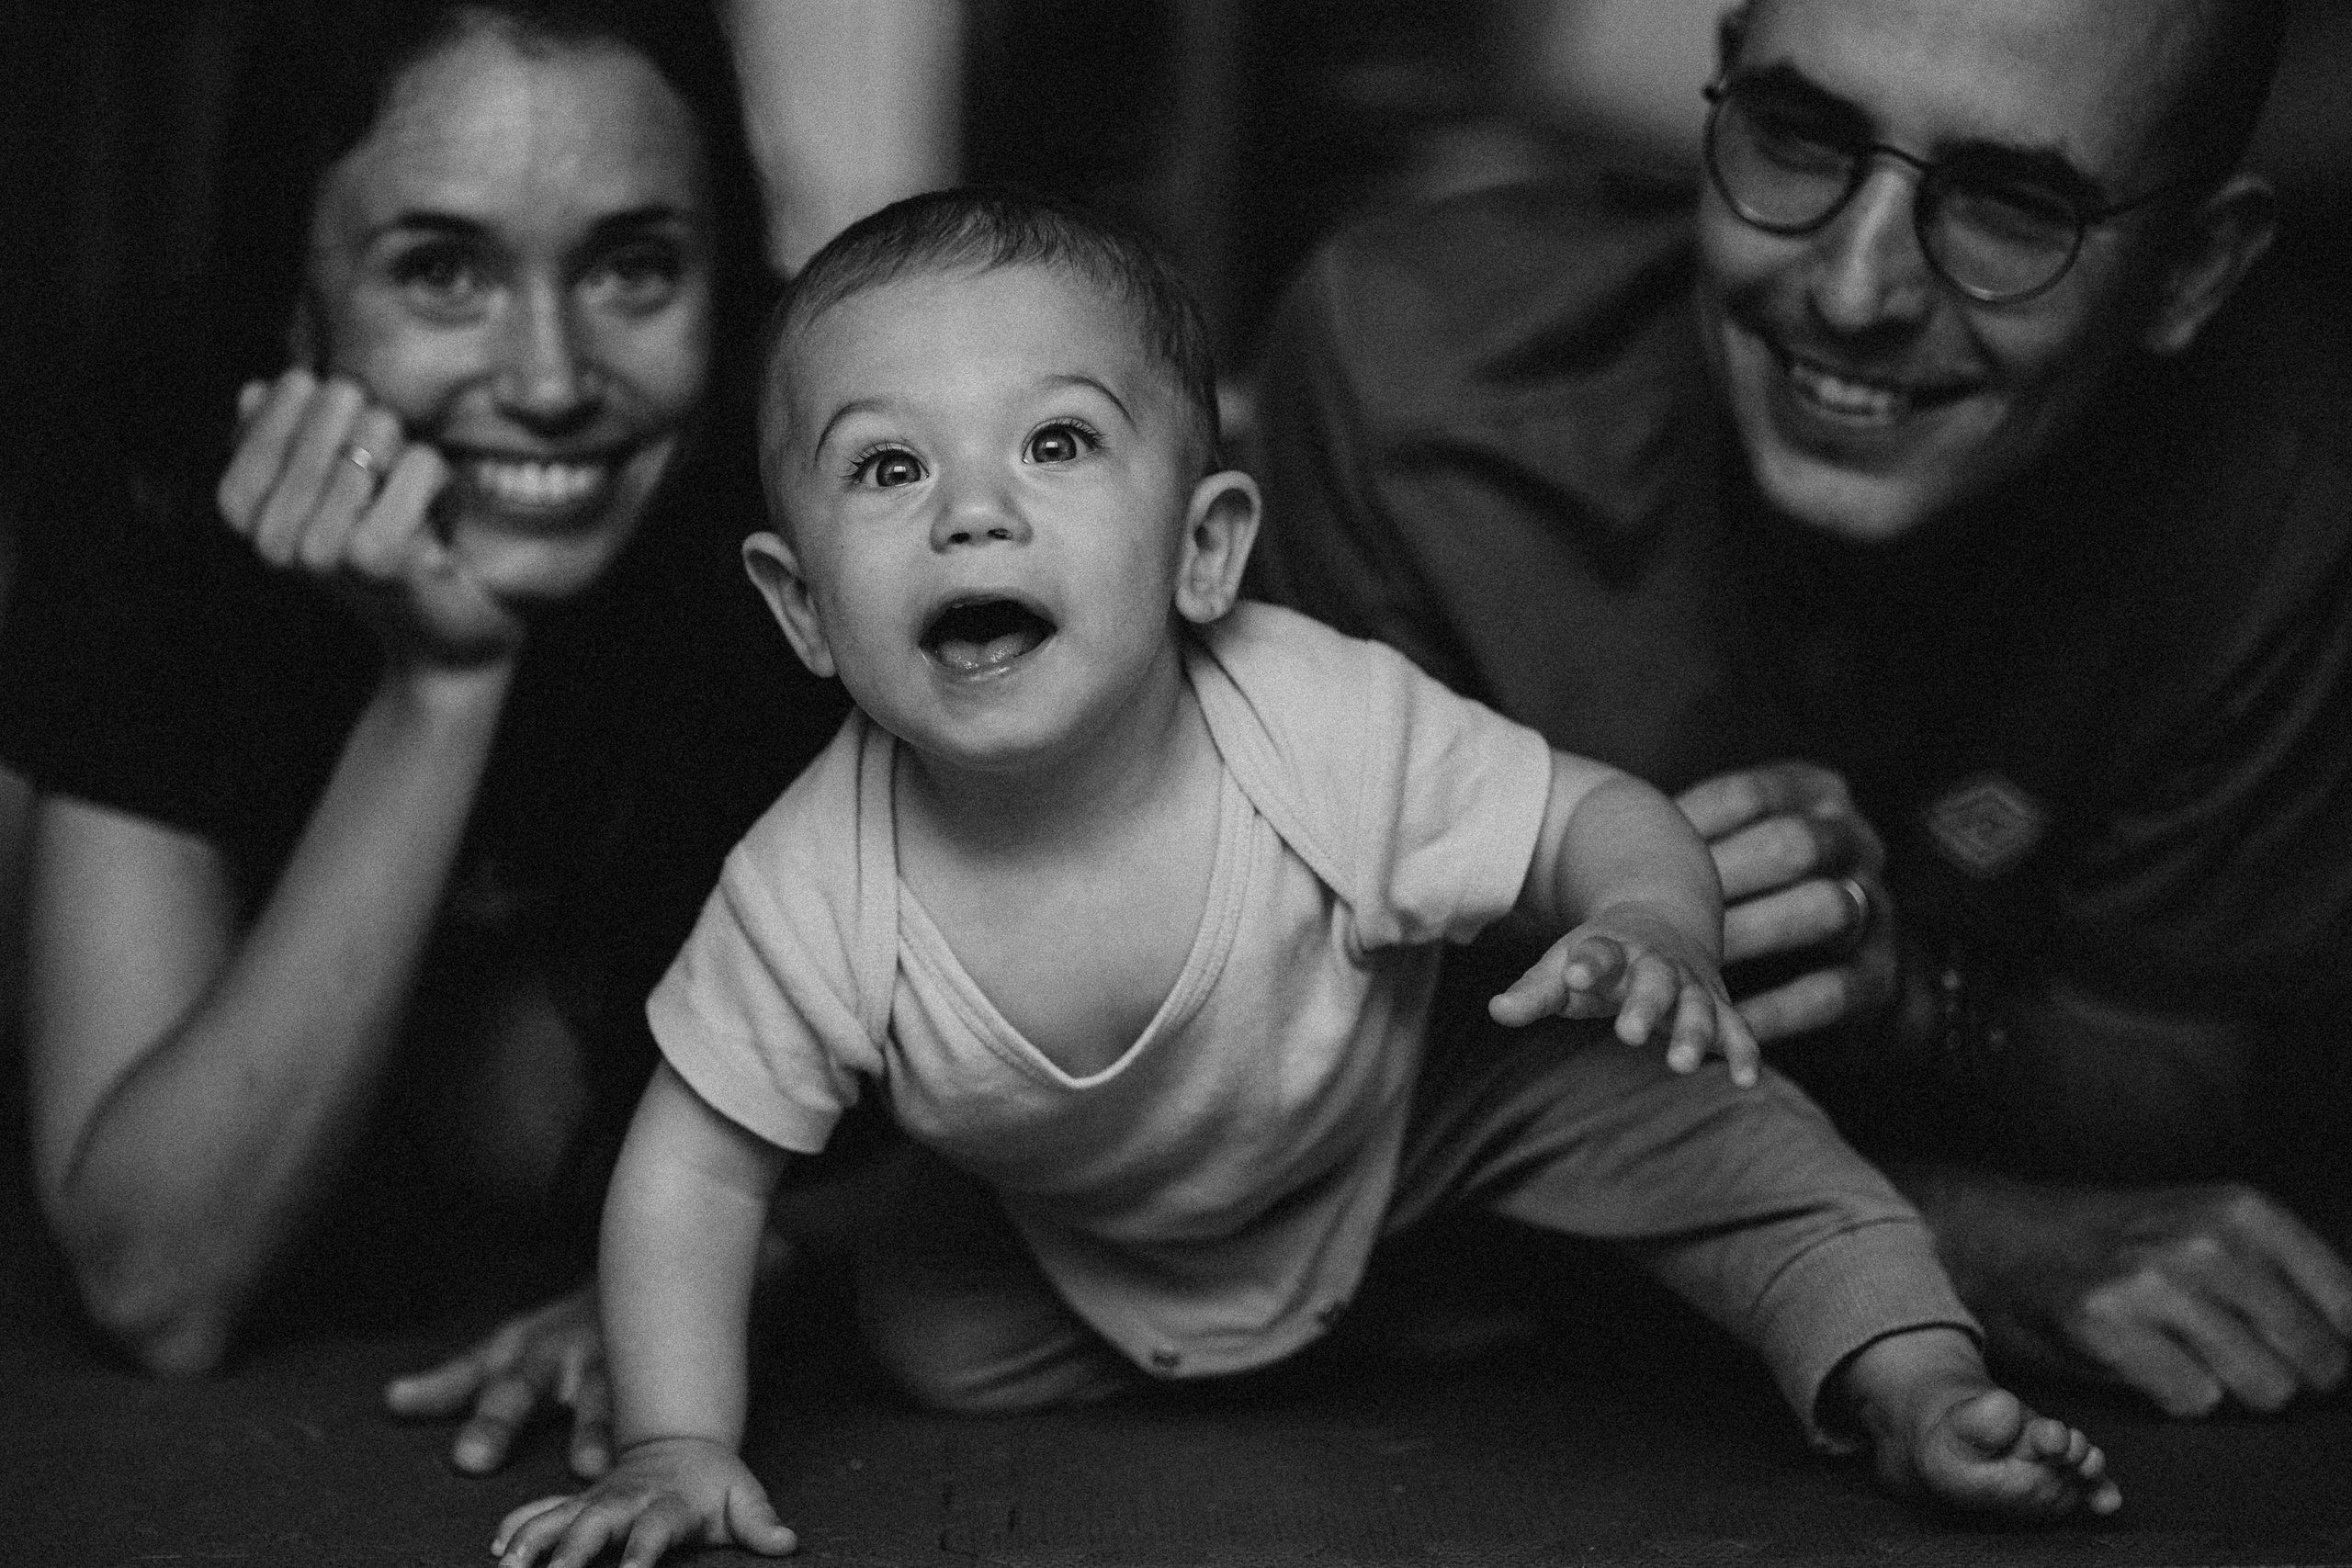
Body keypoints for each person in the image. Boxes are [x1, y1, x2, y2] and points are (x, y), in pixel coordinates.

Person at [489, 190, 2120, 1568]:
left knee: (1729, 1129)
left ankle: (1914, 1381)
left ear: (1205, 550)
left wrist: (1648, 921)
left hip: (1422, 1097)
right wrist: (674, 1437)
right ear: (800, 609)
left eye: (1058, 443)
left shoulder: (1313, 720)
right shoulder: (806, 889)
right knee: (930, 1334)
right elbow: (693, 1170)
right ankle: (1428, 1301)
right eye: (889, 470)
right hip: (1097, 1233)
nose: (975, 513)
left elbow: (1587, 815)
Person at [1249, 0, 2352, 1422]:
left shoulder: (2284, 495)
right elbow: (1251, 1093)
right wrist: (1933, 1233)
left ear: (2195, 273)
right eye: (1801, 135)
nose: (1852, 290)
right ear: (1721, 94)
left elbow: (2205, 1075)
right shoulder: (1404, 381)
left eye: (2014, 207)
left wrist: (1912, 1003)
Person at [0, 0, 845, 1479]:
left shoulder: (812, 524)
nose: (549, 378)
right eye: (442, 271)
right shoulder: (148, 469)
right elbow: (159, 1280)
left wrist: (734, 1264)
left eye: (634, 267)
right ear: (292, 307)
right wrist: (440, 689)